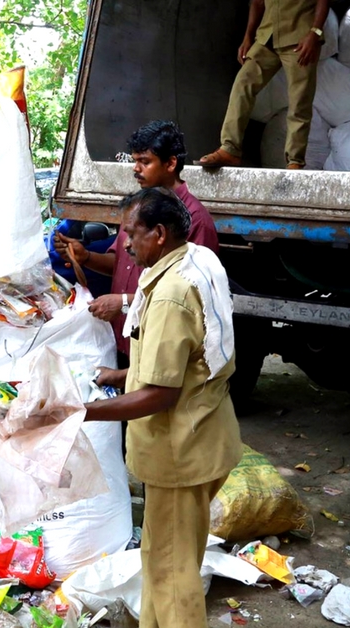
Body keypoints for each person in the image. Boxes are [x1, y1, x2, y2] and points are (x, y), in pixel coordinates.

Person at [84, 187, 242, 628]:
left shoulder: (171, 291)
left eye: (131, 234)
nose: (124, 244)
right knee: (164, 555)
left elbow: (161, 393)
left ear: (158, 233)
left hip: (181, 449)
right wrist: (120, 376)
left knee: (173, 572)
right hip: (206, 435)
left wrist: (82, 412)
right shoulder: (197, 259)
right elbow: (192, 353)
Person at [54, 120, 219, 367]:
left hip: (158, 344)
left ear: (171, 163)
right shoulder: (138, 209)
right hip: (124, 340)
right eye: (135, 161)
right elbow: (122, 265)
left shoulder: (195, 220)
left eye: (145, 162)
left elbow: (191, 295)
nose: (136, 169)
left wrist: (122, 302)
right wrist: (86, 256)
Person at [197, 0, 330, 169]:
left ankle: (295, 161)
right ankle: (230, 149)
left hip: (300, 38)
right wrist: (248, 37)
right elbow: (257, 2)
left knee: (299, 102)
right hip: (267, 37)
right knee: (242, 84)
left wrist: (314, 33)